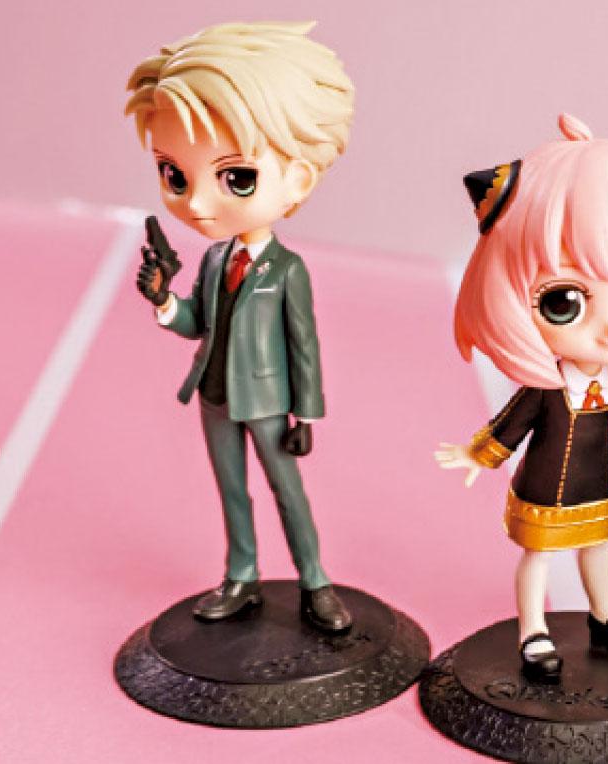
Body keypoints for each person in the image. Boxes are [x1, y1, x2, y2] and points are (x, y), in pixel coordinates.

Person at [436, 114, 608, 682]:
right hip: (548, 487)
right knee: (538, 556)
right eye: (564, 302)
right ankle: (533, 630)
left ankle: (604, 612)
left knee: (599, 546)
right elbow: (513, 423)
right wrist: (477, 455)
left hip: (601, 480)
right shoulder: (546, 386)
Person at [127, 21, 355, 633]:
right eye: (176, 176)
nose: (197, 203)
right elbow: (198, 321)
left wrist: (306, 415)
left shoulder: (288, 269)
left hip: (269, 402)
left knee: (287, 490)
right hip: (214, 397)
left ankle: (315, 582)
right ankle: (242, 575)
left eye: (237, 178)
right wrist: (164, 302)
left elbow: (304, 346)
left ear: (297, 179)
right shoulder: (211, 258)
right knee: (231, 491)